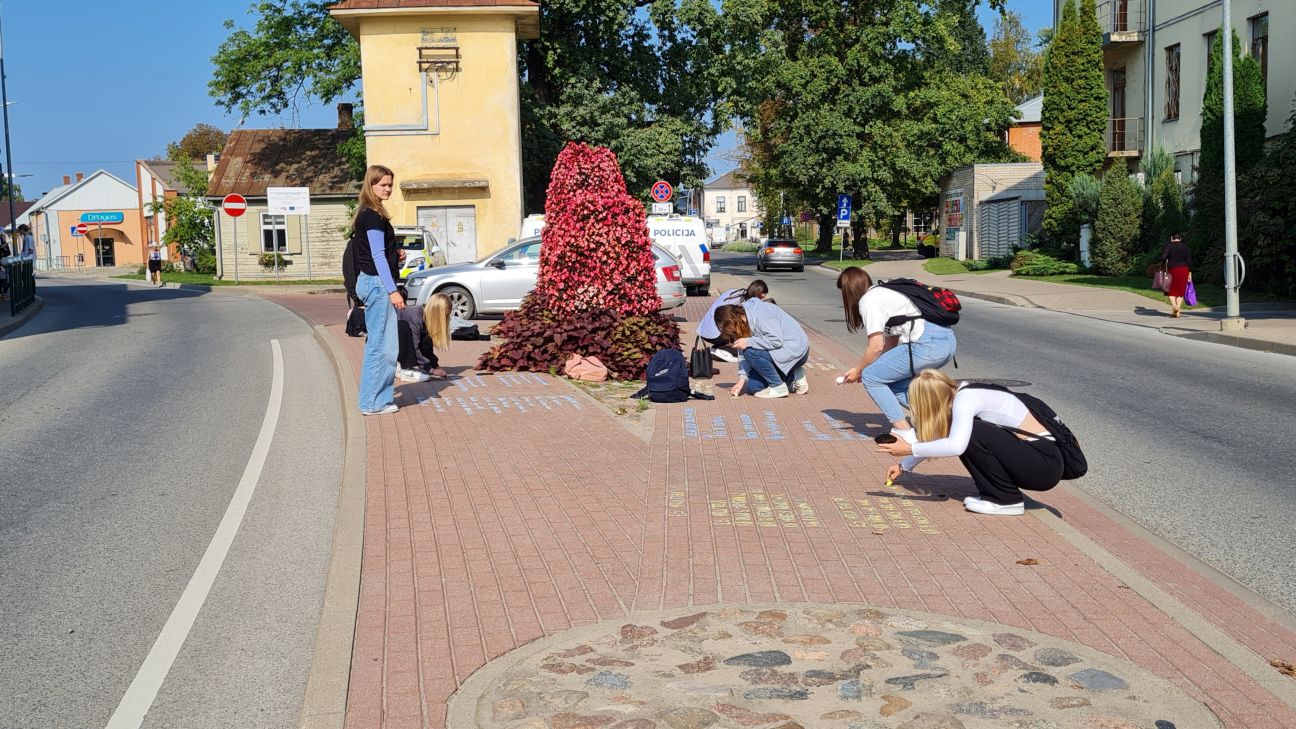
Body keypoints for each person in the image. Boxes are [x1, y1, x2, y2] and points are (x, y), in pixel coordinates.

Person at [877, 370, 1062, 516]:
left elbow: (956, 445)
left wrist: (908, 448)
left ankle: (1006, 500)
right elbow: (941, 436)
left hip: (1043, 464)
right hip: (1041, 461)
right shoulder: (960, 393)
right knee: (967, 433)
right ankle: (998, 496)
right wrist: (904, 466)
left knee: (972, 434)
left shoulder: (966, 399)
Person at [836, 266, 956, 444]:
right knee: (892, 382)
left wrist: (860, 370)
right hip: (945, 341)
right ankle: (943, 415)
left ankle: (905, 432)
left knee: (871, 377)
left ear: (849, 290)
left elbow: (876, 346)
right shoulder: (884, 293)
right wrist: (875, 368)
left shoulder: (869, 301)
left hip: (926, 344)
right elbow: (890, 342)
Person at [351, 164, 405, 416]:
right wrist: (392, 289)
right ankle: (373, 403)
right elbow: (377, 256)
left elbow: (380, 254)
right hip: (377, 284)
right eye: (382, 184)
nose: (388, 189)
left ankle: (377, 399)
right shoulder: (372, 215)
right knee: (380, 346)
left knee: (384, 345)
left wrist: (397, 255)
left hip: (372, 280)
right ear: (371, 185)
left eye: (390, 184)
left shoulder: (369, 212)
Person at [715, 297, 809, 399]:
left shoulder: (762, 314)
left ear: (733, 320)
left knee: (750, 352)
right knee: (753, 387)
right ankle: (794, 377)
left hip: (795, 350)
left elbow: (776, 340)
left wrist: (749, 341)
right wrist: (741, 380)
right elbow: (742, 353)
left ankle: (778, 387)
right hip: (777, 352)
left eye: (728, 329)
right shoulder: (741, 324)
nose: (729, 332)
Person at [697, 280, 770, 363]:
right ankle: (727, 350)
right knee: (744, 328)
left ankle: (719, 348)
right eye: (761, 297)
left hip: (705, 331)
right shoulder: (745, 303)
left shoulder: (735, 292)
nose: (762, 300)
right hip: (717, 333)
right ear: (757, 293)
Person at [397, 292, 452, 382]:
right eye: (443, 316)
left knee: (426, 338)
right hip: (385, 345)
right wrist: (431, 370)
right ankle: (405, 370)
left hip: (398, 345)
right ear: (436, 312)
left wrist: (435, 365)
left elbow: (426, 346)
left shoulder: (425, 316)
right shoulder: (415, 317)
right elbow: (414, 347)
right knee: (403, 327)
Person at [1161, 233, 1192, 318]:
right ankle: (1177, 311)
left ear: (1172, 238)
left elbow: (1163, 257)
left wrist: (1166, 262)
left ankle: (1175, 306)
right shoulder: (1185, 247)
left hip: (1172, 270)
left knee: (1171, 289)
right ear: (1180, 238)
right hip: (1184, 270)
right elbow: (1189, 261)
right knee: (1180, 290)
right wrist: (1190, 273)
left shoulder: (1169, 246)